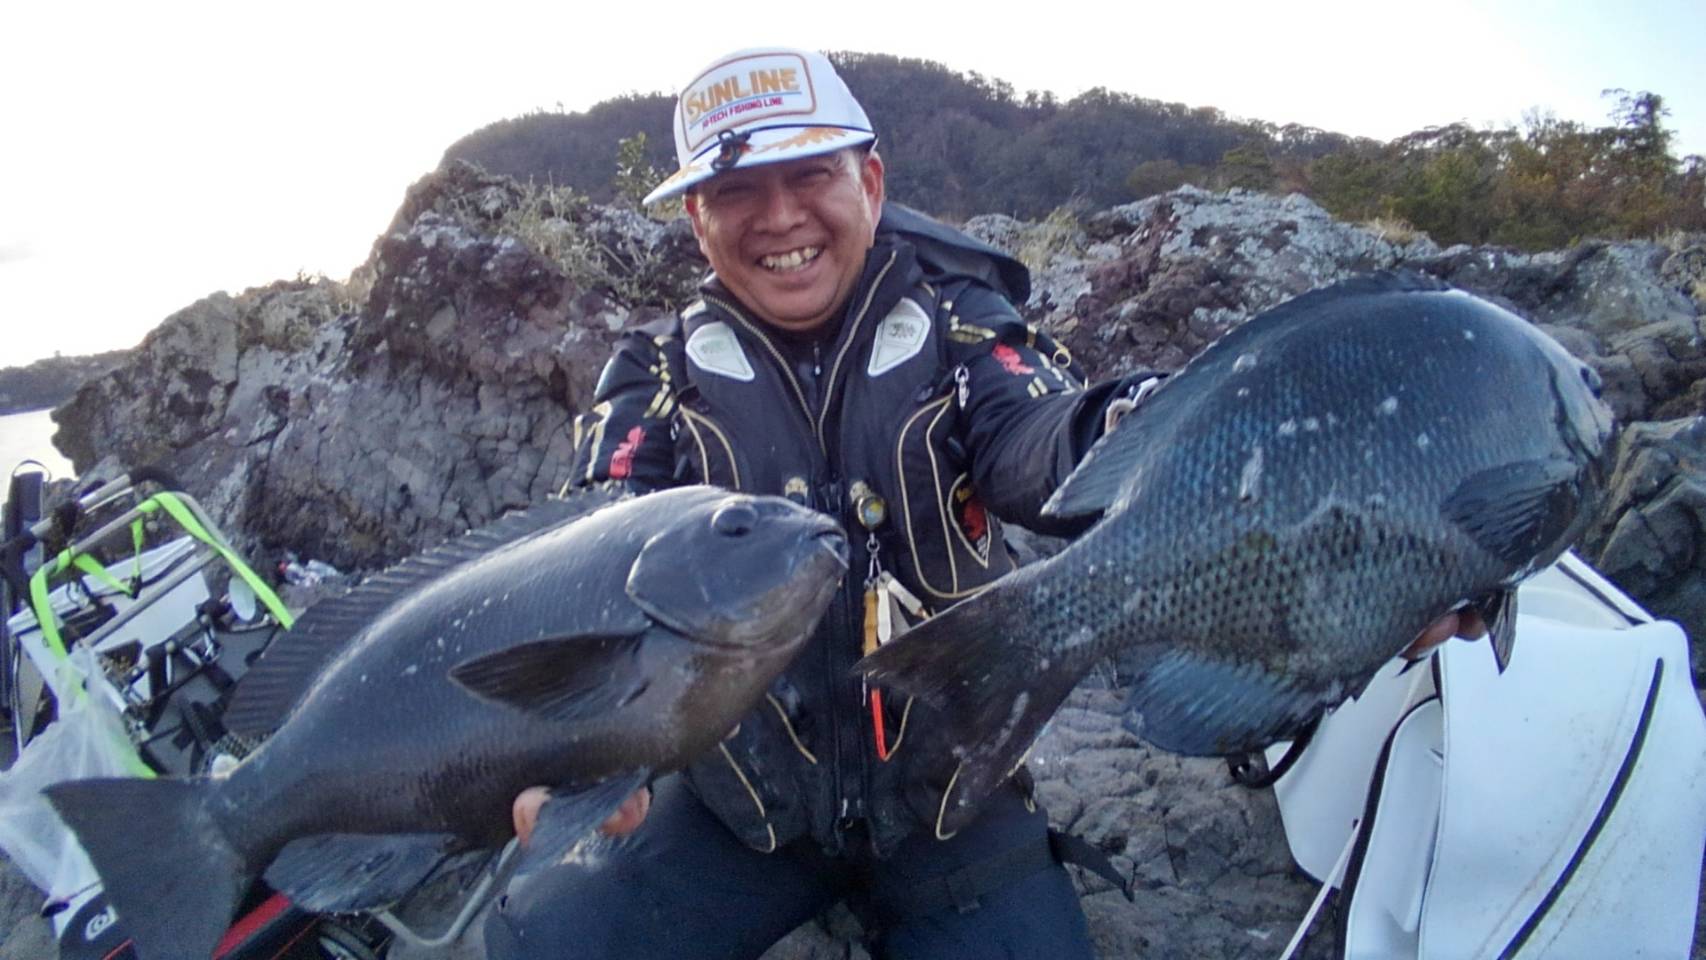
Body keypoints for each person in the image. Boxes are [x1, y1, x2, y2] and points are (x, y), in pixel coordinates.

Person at [484, 46, 1483, 959]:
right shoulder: (648, 373)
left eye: (809, 176)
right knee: (545, 937)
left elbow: (1042, 440)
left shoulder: (966, 325)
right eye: (736, 190)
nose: (779, 216)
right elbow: (592, 553)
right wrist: (546, 751)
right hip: (732, 813)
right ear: (696, 219)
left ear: (868, 182)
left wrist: (1149, 433)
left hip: (952, 800)